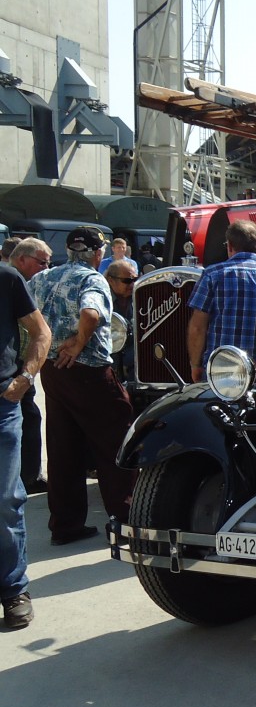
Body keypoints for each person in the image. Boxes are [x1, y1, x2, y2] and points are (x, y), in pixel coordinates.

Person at [28, 226, 136, 546]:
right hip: (89, 370)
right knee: (116, 441)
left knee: (63, 450)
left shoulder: (42, 279)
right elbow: (90, 312)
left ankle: (65, 525)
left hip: (53, 371)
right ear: (98, 253)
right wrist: (78, 342)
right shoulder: (92, 279)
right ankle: (125, 521)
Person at [187, 219, 256, 386]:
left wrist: (195, 365)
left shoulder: (212, 275)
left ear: (229, 246)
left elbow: (198, 327)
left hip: (219, 377)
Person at [0, 257, 50, 628]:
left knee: (6, 501)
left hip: (2, 405)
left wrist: (25, 378)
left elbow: (41, 332)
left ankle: (13, 590)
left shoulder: (6, 278)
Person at [8, 238, 53, 493]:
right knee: (25, 423)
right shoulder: (12, 281)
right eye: (41, 262)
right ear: (22, 258)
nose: (45, 269)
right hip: (14, 370)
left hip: (21, 368)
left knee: (29, 420)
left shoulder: (22, 281)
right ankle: (26, 479)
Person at [104, 258, 137, 382]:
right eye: (127, 281)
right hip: (110, 362)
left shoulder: (140, 296)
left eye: (135, 279)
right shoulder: (101, 300)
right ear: (111, 280)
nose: (132, 284)